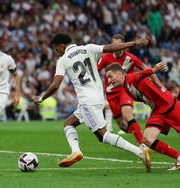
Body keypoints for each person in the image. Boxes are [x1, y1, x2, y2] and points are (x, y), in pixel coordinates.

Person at [33, 33, 152, 172]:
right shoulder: (88, 48)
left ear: (62, 45)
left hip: (87, 101)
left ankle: (140, 152)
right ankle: (75, 151)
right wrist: (134, 43)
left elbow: (55, 85)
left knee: (104, 135)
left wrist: (41, 98)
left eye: (56, 49)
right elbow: (113, 47)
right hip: (98, 97)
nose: (56, 52)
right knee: (69, 124)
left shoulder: (63, 59)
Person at [99, 34, 180, 168]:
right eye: (114, 45)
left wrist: (158, 80)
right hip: (152, 106)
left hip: (164, 103)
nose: (109, 81)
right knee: (135, 132)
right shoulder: (110, 63)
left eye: (111, 77)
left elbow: (142, 72)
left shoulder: (130, 73)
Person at [105, 62, 180, 170]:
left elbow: (140, 74)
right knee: (147, 139)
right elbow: (148, 78)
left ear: (120, 74)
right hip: (158, 110)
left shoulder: (130, 78)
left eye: (110, 76)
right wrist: (159, 85)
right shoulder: (126, 87)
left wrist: (153, 70)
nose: (109, 81)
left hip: (169, 106)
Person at [98, 34, 165, 145]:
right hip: (111, 94)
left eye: (118, 45)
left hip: (126, 90)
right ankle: (140, 133)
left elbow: (147, 69)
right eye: (113, 45)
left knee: (127, 115)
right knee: (123, 126)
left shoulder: (131, 58)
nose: (116, 47)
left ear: (124, 46)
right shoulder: (106, 58)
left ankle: (143, 146)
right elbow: (95, 71)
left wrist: (161, 86)